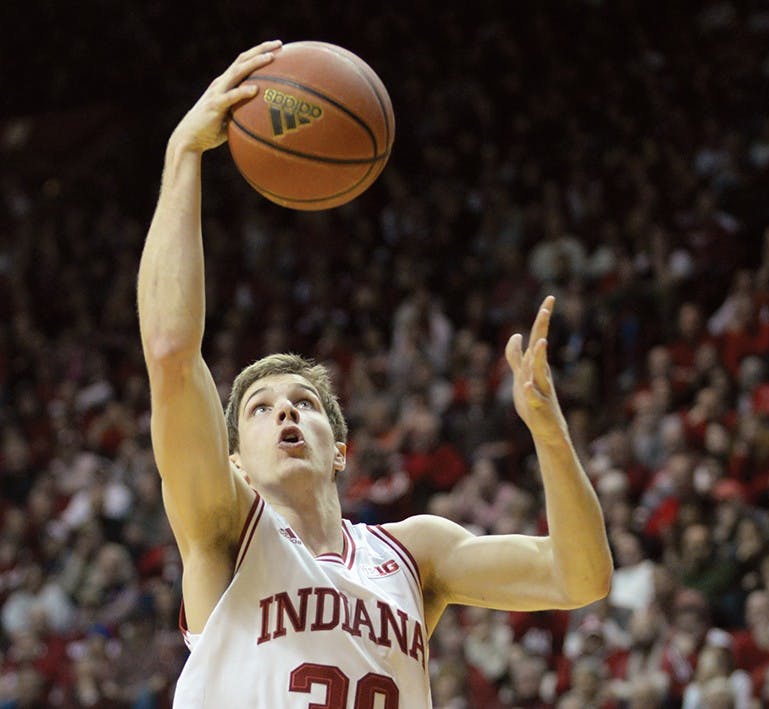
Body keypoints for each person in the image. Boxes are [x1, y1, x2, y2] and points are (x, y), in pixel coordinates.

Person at [136, 41, 612, 708]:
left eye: (304, 403)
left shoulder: (414, 555)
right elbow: (169, 354)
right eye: (261, 409)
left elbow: (579, 576)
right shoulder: (223, 530)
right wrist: (183, 154)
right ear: (235, 463)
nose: (286, 413)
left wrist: (550, 433)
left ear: (341, 450)